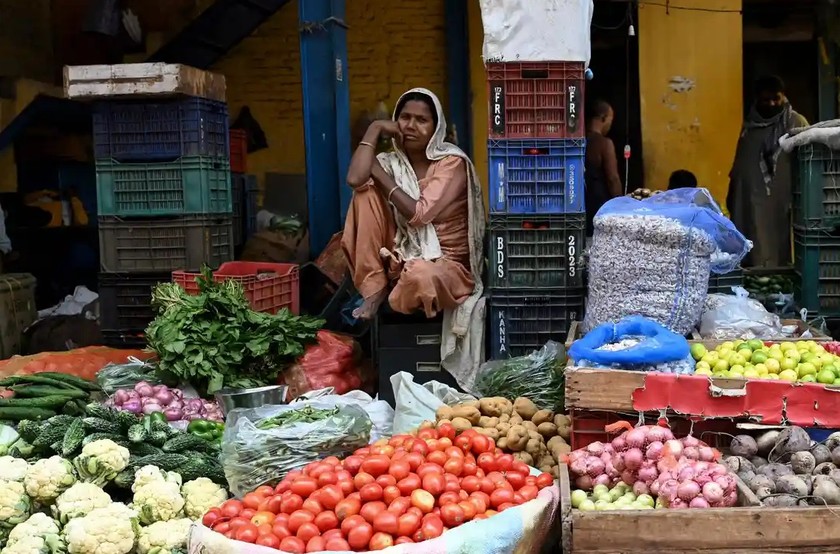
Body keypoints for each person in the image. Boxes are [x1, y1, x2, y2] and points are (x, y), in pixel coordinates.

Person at [342, 88, 485, 328]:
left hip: (446, 264)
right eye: (405, 117)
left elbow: (419, 214)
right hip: (402, 253)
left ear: (436, 128)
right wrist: (374, 129)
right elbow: (355, 179)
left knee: (421, 276)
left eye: (422, 120)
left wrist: (376, 171)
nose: (411, 126)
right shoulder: (392, 163)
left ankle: (406, 283)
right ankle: (374, 288)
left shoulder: (451, 163)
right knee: (363, 195)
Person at [727, 75, 808, 267]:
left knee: (773, 236)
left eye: (776, 98)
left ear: (784, 97)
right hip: (747, 193)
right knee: (748, 231)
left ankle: (773, 275)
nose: (772, 103)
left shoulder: (795, 122)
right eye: (766, 100)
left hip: (778, 195)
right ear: (757, 100)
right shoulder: (751, 123)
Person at [584, 100, 623, 237]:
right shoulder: (604, 144)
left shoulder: (576, 140)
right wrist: (621, 204)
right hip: (598, 207)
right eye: (610, 120)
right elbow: (613, 178)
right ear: (603, 118)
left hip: (576, 205)